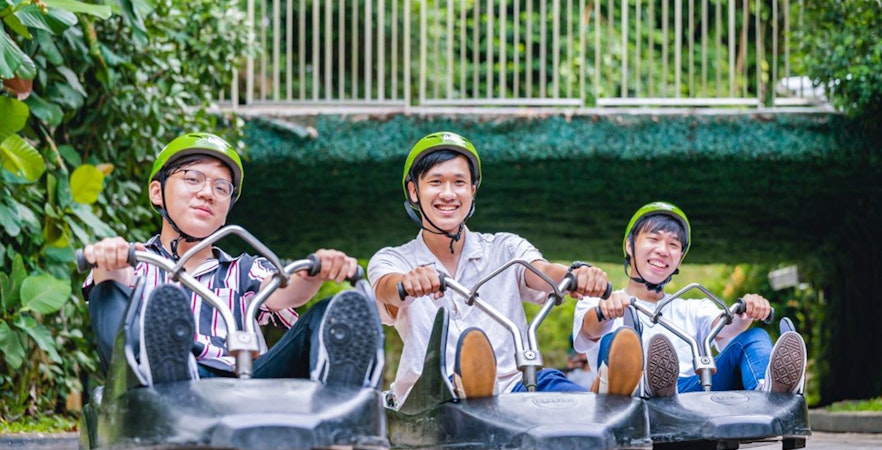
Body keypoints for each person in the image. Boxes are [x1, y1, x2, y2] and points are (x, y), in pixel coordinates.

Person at [82, 132, 382, 387]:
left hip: (242, 387)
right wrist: (110, 259)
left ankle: (339, 401)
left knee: (330, 313)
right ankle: (169, 371)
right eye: (193, 179)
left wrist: (316, 271)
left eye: (221, 188)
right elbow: (112, 286)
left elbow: (285, 292)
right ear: (157, 192)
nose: (207, 193)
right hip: (155, 385)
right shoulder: (137, 261)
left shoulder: (243, 269)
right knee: (108, 288)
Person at [368, 131, 641, 407]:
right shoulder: (394, 259)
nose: (448, 193)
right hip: (435, 395)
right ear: (414, 191)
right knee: (461, 389)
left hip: (515, 386)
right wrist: (409, 283)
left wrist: (577, 274)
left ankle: (602, 402)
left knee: (554, 389)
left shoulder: (505, 248)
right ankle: (473, 384)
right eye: (436, 182)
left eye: (459, 182)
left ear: (472, 190)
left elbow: (543, 273)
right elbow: (387, 289)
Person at [573, 201, 807, 397]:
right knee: (616, 340)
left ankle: (770, 395)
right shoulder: (598, 301)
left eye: (673, 245)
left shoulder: (693, 307)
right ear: (630, 246)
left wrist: (744, 315)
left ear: (680, 258)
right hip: (627, 394)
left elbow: (723, 328)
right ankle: (653, 387)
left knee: (756, 337)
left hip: (690, 393)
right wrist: (606, 311)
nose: (663, 250)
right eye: (653, 239)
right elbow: (589, 330)